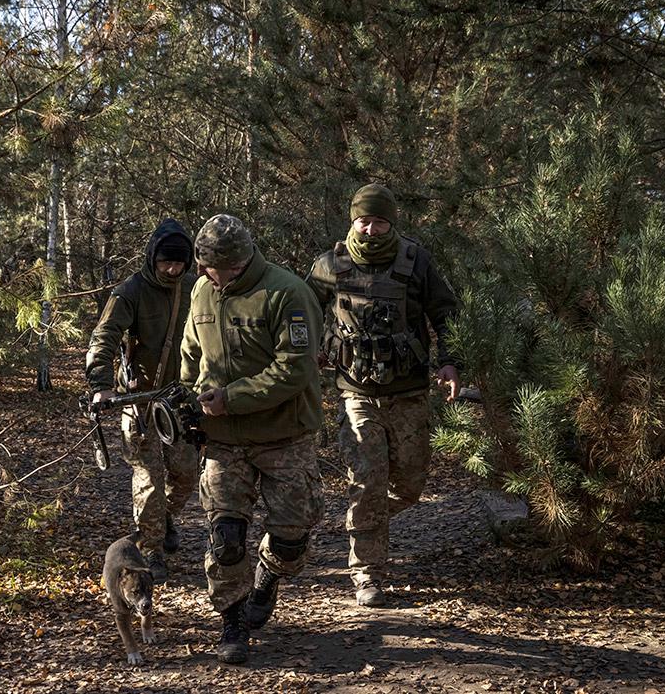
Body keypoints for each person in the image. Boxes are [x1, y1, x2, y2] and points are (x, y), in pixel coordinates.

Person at [180, 214, 325, 665]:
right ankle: (233, 620)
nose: (207, 275)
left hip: (285, 436)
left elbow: (294, 369)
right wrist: (185, 398)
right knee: (225, 537)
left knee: (291, 539)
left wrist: (231, 398)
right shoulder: (203, 290)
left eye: (215, 267)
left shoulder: (287, 293)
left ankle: (267, 577)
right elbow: (192, 353)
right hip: (223, 439)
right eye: (202, 267)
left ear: (240, 262)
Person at [306, 183, 459, 607]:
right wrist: (309, 351)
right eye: (363, 220)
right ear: (351, 220)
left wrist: (451, 362)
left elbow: (445, 312)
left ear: (391, 222)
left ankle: (366, 518)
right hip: (355, 392)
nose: (371, 229)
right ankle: (367, 573)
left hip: (408, 392)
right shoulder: (330, 265)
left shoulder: (415, 261)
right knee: (367, 481)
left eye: (379, 221)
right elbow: (299, 310)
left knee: (409, 485)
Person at [86, 218, 199, 584]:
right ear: (152, 258)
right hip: (140, 401)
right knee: (149, 477)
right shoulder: (130, 291)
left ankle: (162, 519)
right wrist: (102, 385)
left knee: (185, 474)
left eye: (179, 263)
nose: (172, 268)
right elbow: (104, 337)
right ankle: (151, 550)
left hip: (180, 399)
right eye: (166, 261)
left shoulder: (195, 289)